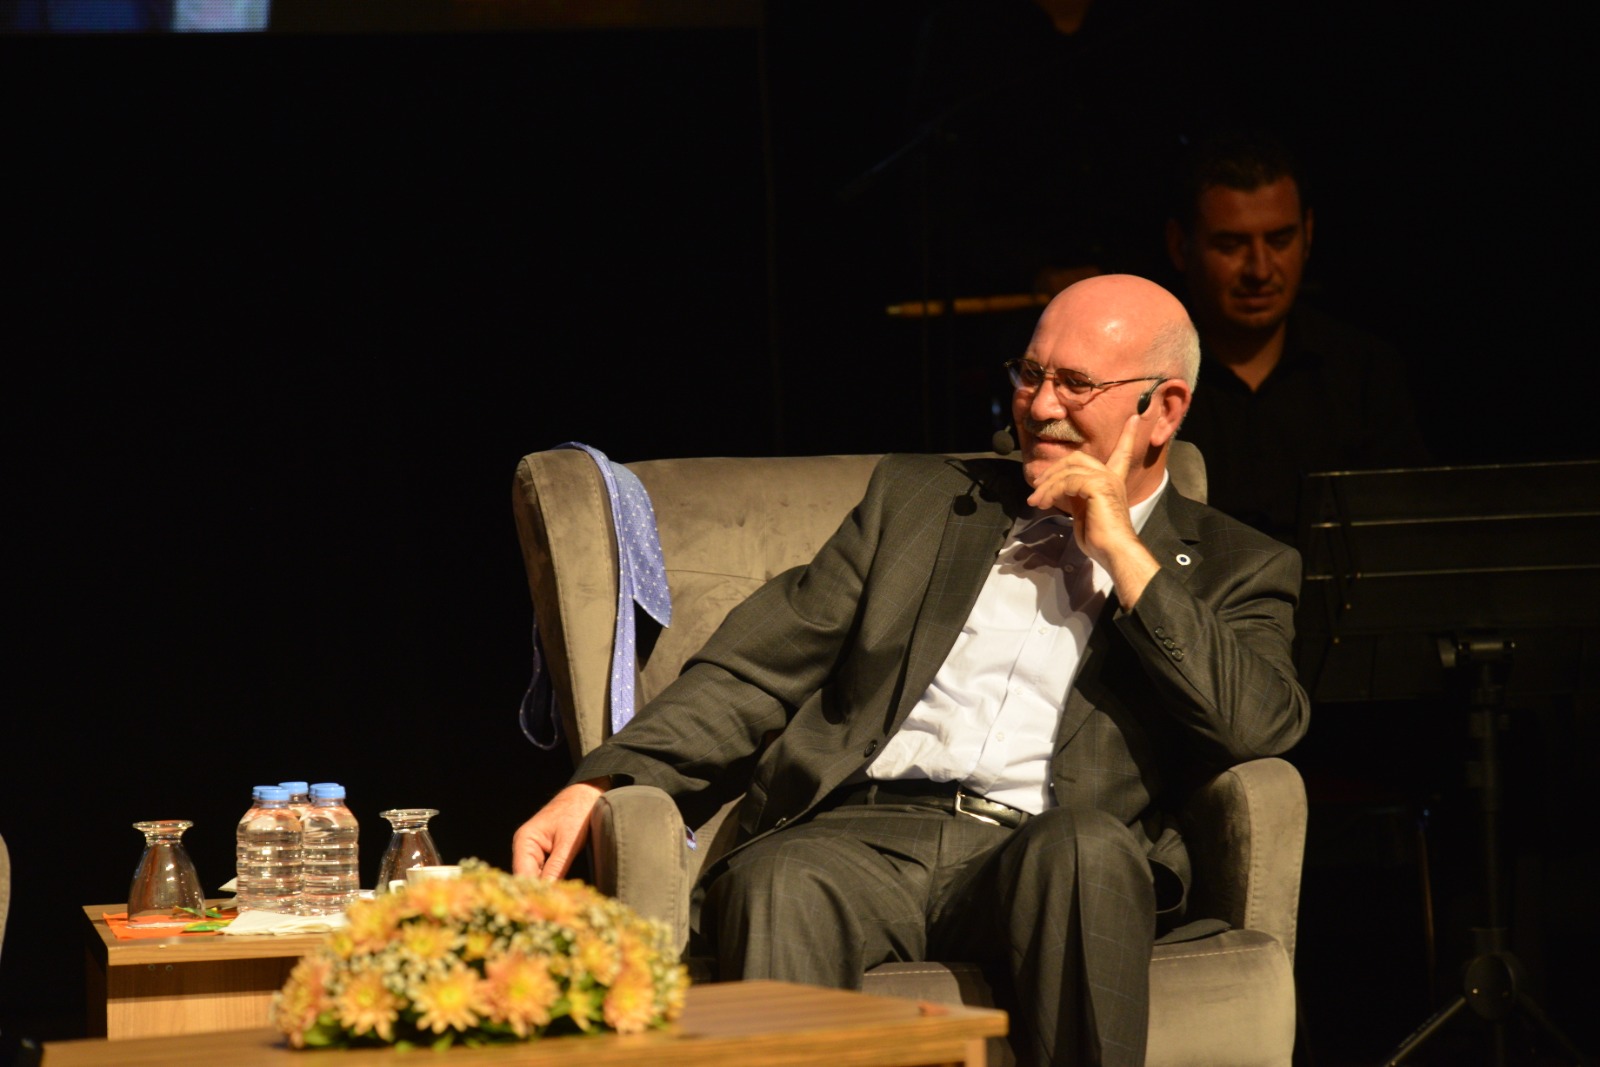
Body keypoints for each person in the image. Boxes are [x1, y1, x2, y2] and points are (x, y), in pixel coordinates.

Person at [514, 274, 1310, 1066]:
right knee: (780, 878)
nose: (1039, 405)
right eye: (1031, 374)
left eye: (1076, 384)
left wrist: (1122, 553)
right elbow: (756, 667)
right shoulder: (924, 502)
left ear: (1162, 409)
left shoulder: (1237, 564)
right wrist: (605, 780)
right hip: (862, 834)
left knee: (1086, 851)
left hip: (1046, 846)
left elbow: (1258, 721)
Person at [1165, 132, 1429, 543]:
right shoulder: (1145, 374)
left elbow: (1407, 532)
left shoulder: (1364, 369)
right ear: (1180, 246)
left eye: (1279, 240)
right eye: (1231, 245)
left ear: (1308, 233)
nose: (1260, 269)